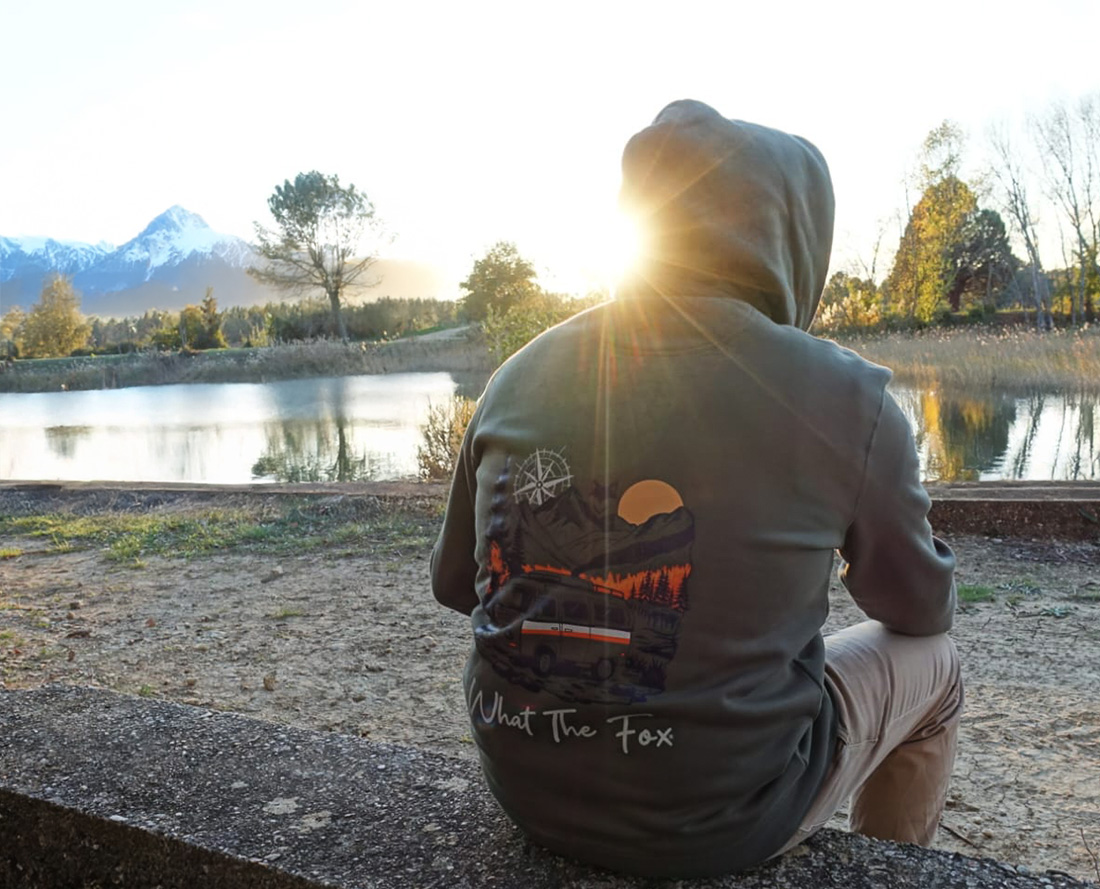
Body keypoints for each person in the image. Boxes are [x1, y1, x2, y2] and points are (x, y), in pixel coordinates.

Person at [430, 99, 962, 879]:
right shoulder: (849, 400)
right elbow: (920, 610)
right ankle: (881, 868)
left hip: (527, 788)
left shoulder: (517, 376)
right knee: (938, 666)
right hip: (727, 816)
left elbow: (455, 585)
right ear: (794, 236)